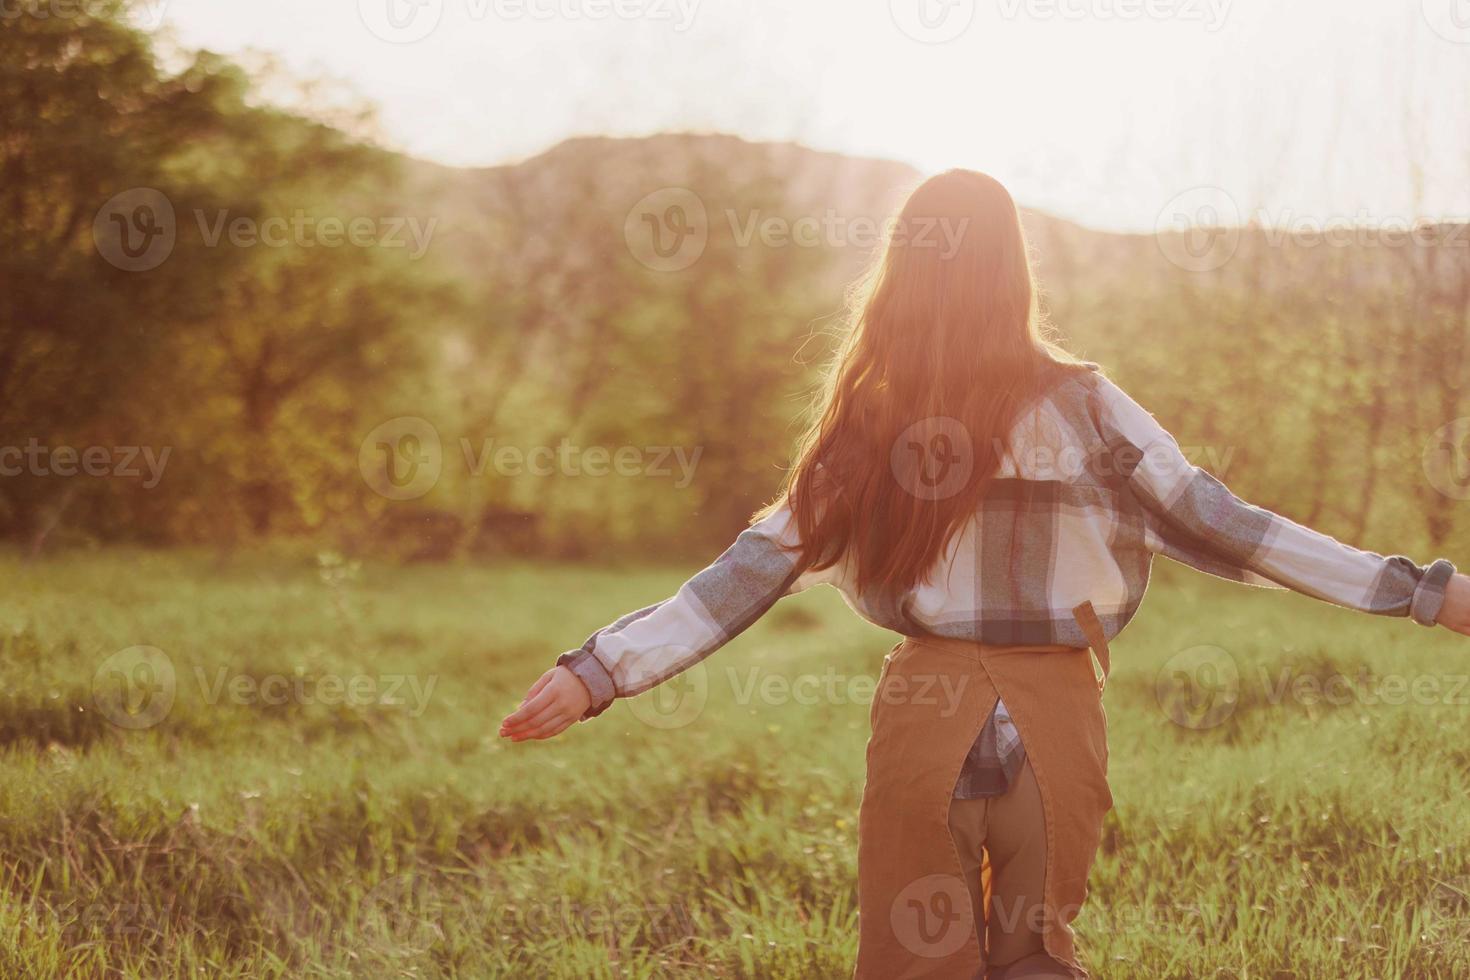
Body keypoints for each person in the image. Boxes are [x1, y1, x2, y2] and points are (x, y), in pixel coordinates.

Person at [500, 169, 1470, 979]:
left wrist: (601, 668)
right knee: (1038, 957)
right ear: (1017, 273)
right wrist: (1424, 590)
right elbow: (1234, 527)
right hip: (1057, 722)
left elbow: (756, 566)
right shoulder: (1089, 407)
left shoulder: (872, 417)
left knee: (914, 960)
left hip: (927, 718)